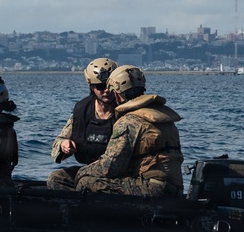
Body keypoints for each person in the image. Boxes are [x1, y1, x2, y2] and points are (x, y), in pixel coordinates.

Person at [73, 65, 183, 197]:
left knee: (85, 181)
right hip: (175, 187)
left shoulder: (129, 121)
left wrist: (83, 171)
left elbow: (110, 167)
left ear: (117, 95)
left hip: (152, 188)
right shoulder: (160, 115)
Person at [45, 58, 117, 190]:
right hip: (89, 171)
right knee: (56, 178)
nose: (106, 90)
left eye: (110, 86)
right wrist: (64, 145)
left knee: (86, 182)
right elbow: (59, 140)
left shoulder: (125, 111)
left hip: (118, 173)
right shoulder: (82, 111)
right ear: (92, 87)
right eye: (101, 86)